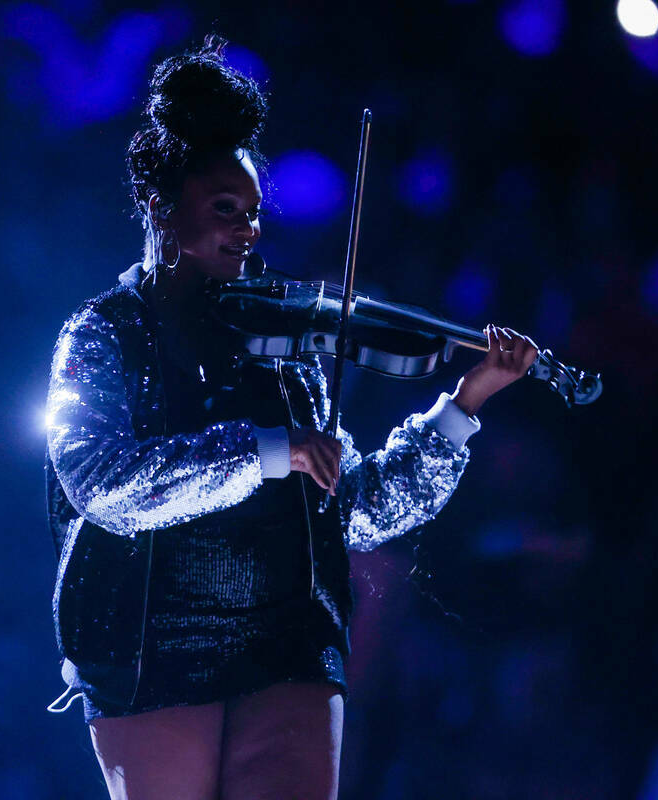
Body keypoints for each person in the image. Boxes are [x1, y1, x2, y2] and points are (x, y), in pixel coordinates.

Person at [44, 35, 539, 800]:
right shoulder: (103, 333)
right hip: (148, 643)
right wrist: (264, 451)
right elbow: (102, 486)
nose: (248, 232)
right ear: (158, 208)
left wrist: (463, 406)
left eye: (252, 213)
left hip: (290, 639)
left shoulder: (285, 347)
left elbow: (358, 509)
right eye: (223, 210)